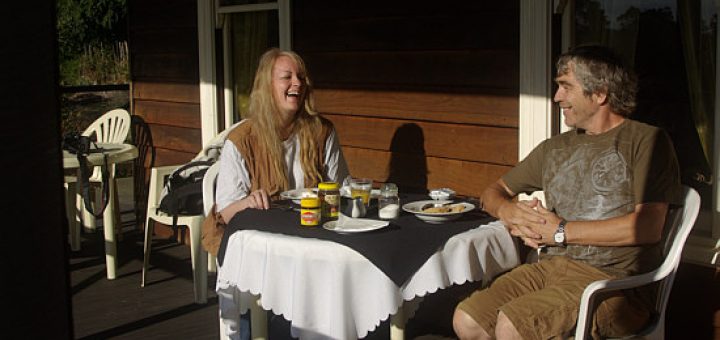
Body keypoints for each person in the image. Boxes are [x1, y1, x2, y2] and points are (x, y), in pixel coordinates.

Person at [452, 45, 682, 340]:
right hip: (549, 269)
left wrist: (560, 231)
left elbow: (647, 227)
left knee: (513, 327)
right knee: (468, 320)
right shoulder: (555, 148)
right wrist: (508, 211)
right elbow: (492, 192)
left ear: (599, 93)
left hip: (615, 284)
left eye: (565, 87)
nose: (556, 97)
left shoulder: (646, 140)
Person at [214, 48, 349, 339]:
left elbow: (341, 187)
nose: (297, 83)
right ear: (267, 86)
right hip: (263, 250)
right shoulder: (242, 140)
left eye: (301, 77)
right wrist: (247, 202)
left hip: (313, 242)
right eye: (286, 77)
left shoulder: (322, 131)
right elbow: (225, 211)